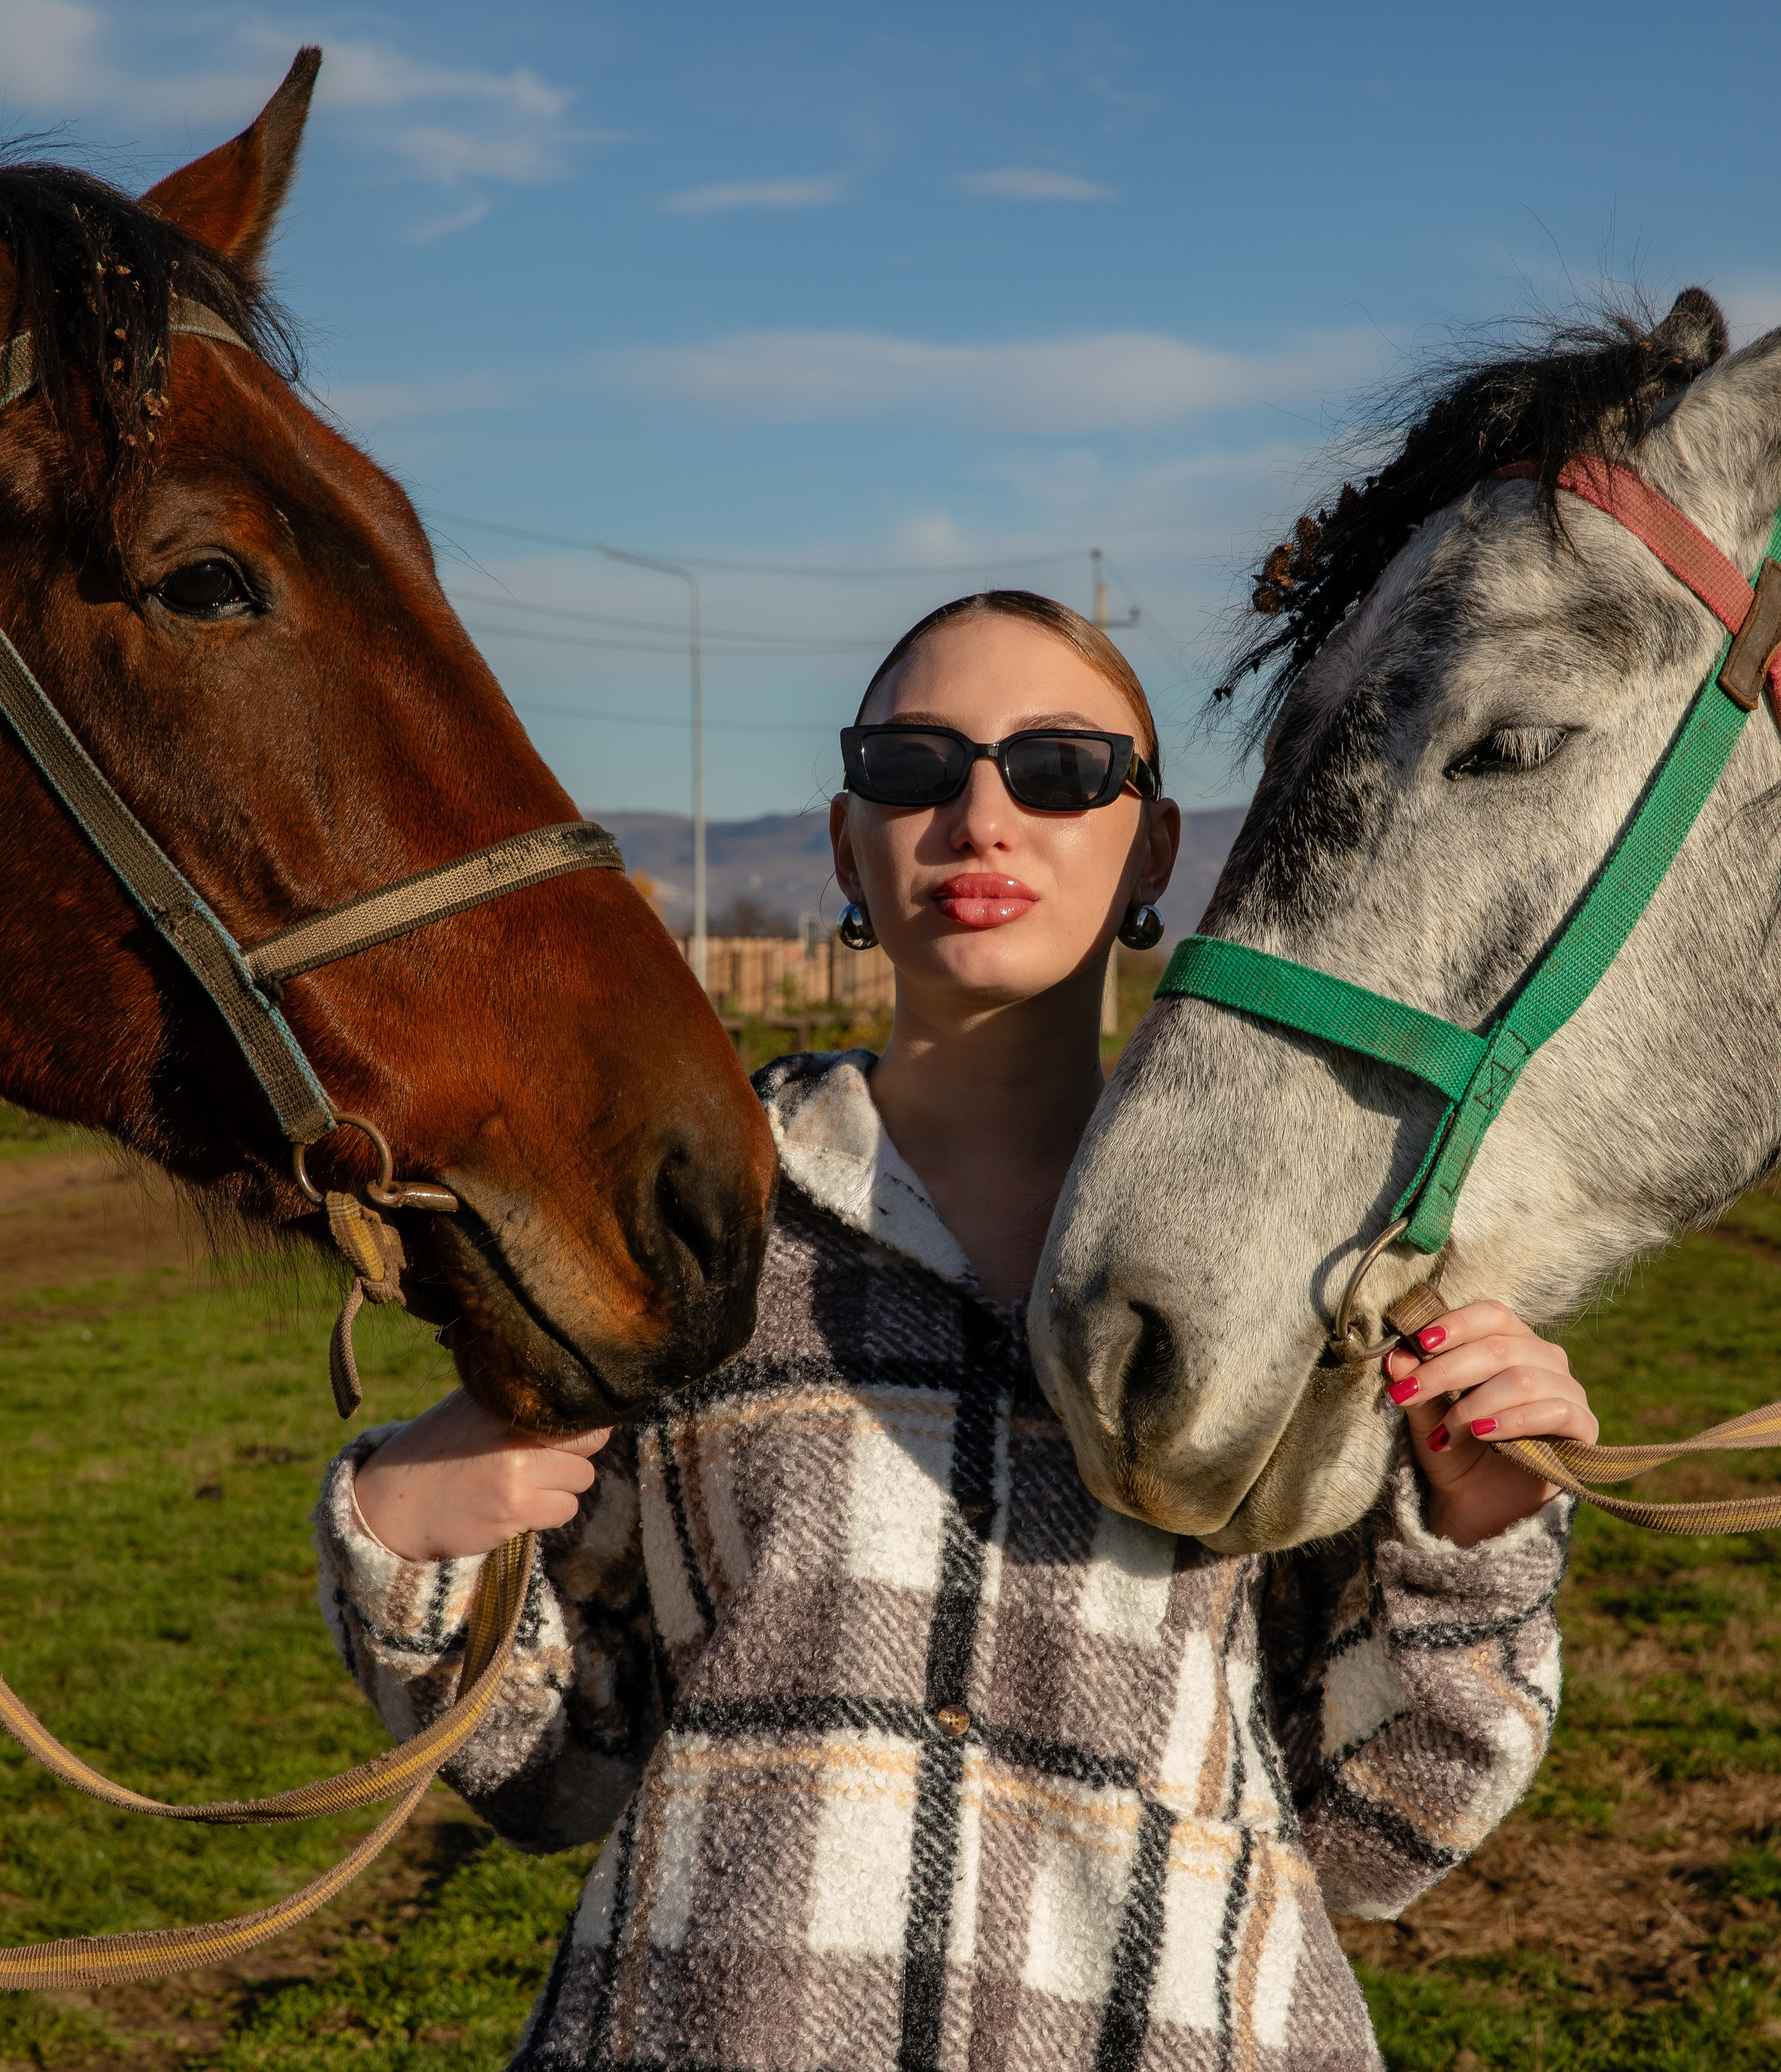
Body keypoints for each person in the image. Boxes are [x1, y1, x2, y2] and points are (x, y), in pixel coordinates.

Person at [315, 591, 1599, 2072]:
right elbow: (559, 1763)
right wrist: (413, 1535)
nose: (978, 813)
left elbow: (1375, 1830)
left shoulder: (1304, 1260)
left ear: (1154, 849)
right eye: (913, 766)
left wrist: (1478, 1531)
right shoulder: (689, 1225)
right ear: (845, 837)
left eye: (1056, 768)